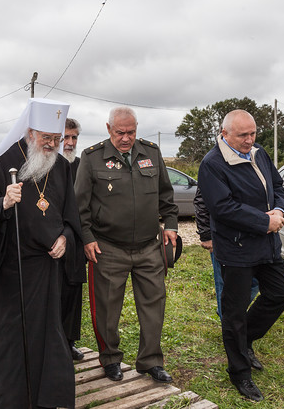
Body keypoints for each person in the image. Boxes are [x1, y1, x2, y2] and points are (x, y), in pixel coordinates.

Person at [0, 98, 82, 409]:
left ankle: (44, 392)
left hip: (46, 271)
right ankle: (7, 395)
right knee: (9, 338)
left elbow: (72, 218)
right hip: (11, 270)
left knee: (46, 334)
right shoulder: (4, 163)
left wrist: (65, 238)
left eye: (56, 139)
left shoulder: (61, 167)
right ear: (30, 132)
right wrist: (4, 204)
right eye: (45, 138)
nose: (51, 145)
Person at [75, 106, 179, 384]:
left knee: (154, 306)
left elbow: (166, 196)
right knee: (107, 310)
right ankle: (110, 359)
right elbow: (79, 206)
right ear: (109, 129)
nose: (126, 138)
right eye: (120, 132)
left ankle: (151, 361)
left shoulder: (151, 153)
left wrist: (171, 224)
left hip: (148, 247)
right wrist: (87, 238)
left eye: (131, 132)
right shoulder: (92, 157)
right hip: (108, 248)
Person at [198, 109, 284, 402]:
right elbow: (222, 207)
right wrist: (264, 221)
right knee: (234, 311)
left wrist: (279, 211)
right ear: (224, 133)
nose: (249, 140)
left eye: (253, 134)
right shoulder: (212, 164)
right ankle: (239, 372)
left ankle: (244, 340)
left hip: (266, 246)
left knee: (280, 293)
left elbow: (277, 186)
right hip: (236, 247)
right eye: (243, 135)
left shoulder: (259, 153)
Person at [194, 187, 259, 318]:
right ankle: (228, 323)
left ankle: (228, 312)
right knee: (225, 283)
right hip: (222, 236)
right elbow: (201, 200)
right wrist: (206, 234)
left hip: (250, 233)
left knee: (256, 281)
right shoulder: (214, 166)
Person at [61, 117, 86, 360]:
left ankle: (68, 342)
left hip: (76, 242)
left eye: (74, 137)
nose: (69, 142)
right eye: (65, 137)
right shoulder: (44, 166)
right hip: (52, 243)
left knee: (73, 295)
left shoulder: (81, 166)